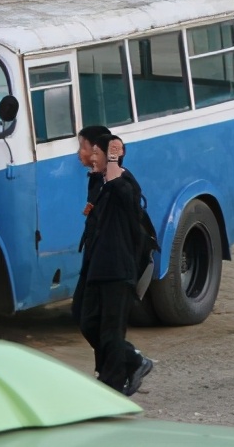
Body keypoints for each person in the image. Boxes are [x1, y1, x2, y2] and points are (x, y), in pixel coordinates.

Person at [78, 133, 154, 396]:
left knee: (111, 332)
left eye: (95, 152)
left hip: (118, 270)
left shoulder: (125, 184)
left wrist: (112, 160)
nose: (90, 157)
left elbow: (120, 191)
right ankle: (132, 360)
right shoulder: (97, 183)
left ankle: (112, 385)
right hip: (96, 268)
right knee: (88, 323)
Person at [72, 124, 113, 325]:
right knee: (82, 314)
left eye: (83, 147)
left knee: (98, 323)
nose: (79, 152)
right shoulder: (96, 179)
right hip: (93, 258)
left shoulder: (114, 183)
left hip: (108, 265)